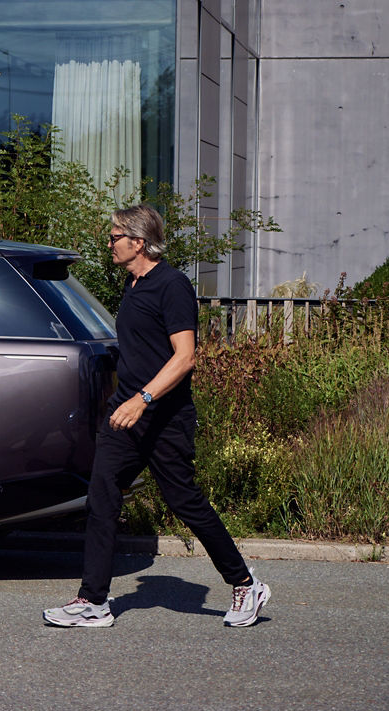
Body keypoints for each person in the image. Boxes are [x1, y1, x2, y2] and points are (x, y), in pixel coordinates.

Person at [42, 204, 271, 628]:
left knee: (185, 502)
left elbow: (185, 358)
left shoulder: (172, 286)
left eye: (114, 237)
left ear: (138, 242)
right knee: (102, 497)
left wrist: (141, 399)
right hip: (125, 415)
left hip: (163, 416)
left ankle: (244, 583)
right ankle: (93, 601)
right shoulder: (132, 284)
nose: (108, 244)